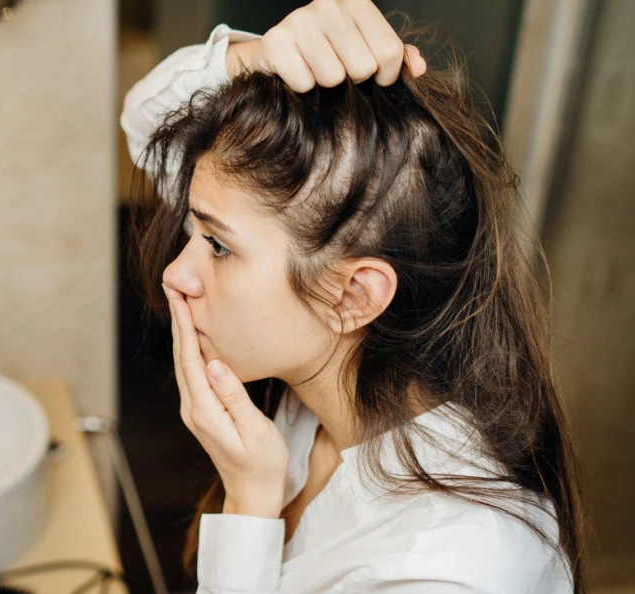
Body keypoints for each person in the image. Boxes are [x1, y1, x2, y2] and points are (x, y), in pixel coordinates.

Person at [120, 1, 585, 592]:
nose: (175, 275)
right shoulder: (332, 386)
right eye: (195, 231)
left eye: (217, 246)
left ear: (353, 296)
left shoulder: (450, 572)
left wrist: (250, 501)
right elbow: (146, 122)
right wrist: (259, 57)